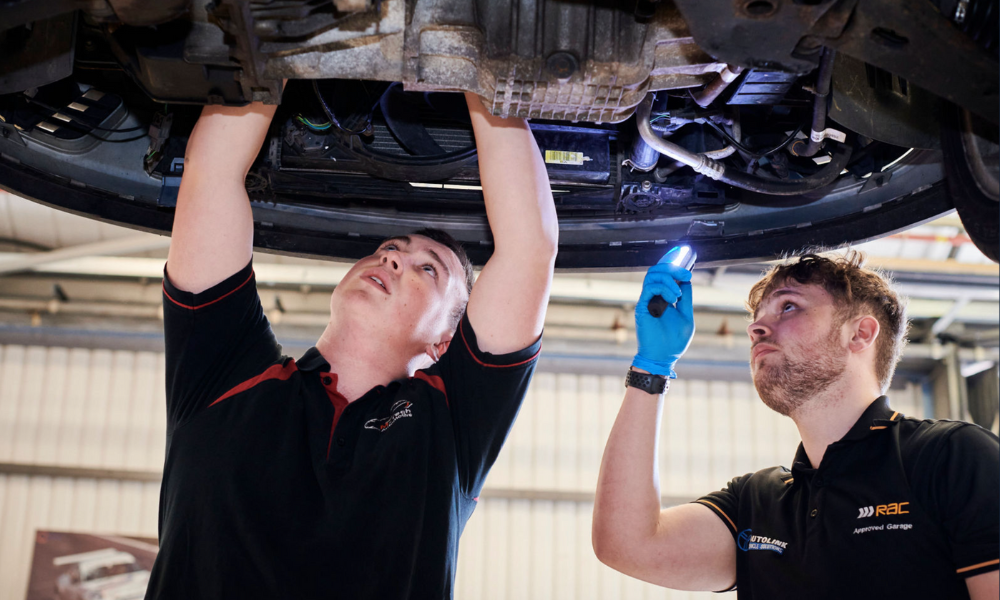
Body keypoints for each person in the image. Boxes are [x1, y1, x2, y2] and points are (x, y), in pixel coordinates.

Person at [147, 91, 557, 599]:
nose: (392, 260)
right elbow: (212, 176)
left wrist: (484, 72)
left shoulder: (451, 424)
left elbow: (528, 248)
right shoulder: (228, 375)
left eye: (428, 269)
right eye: (390, 249)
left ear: (444, 342)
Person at [592, 251, 999, 599]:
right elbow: (627, 544)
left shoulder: (952, 457)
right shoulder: (757, 503)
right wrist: (652, 366)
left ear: (860, 334)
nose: (756, 328)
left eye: (788, 306)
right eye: (757, 316)